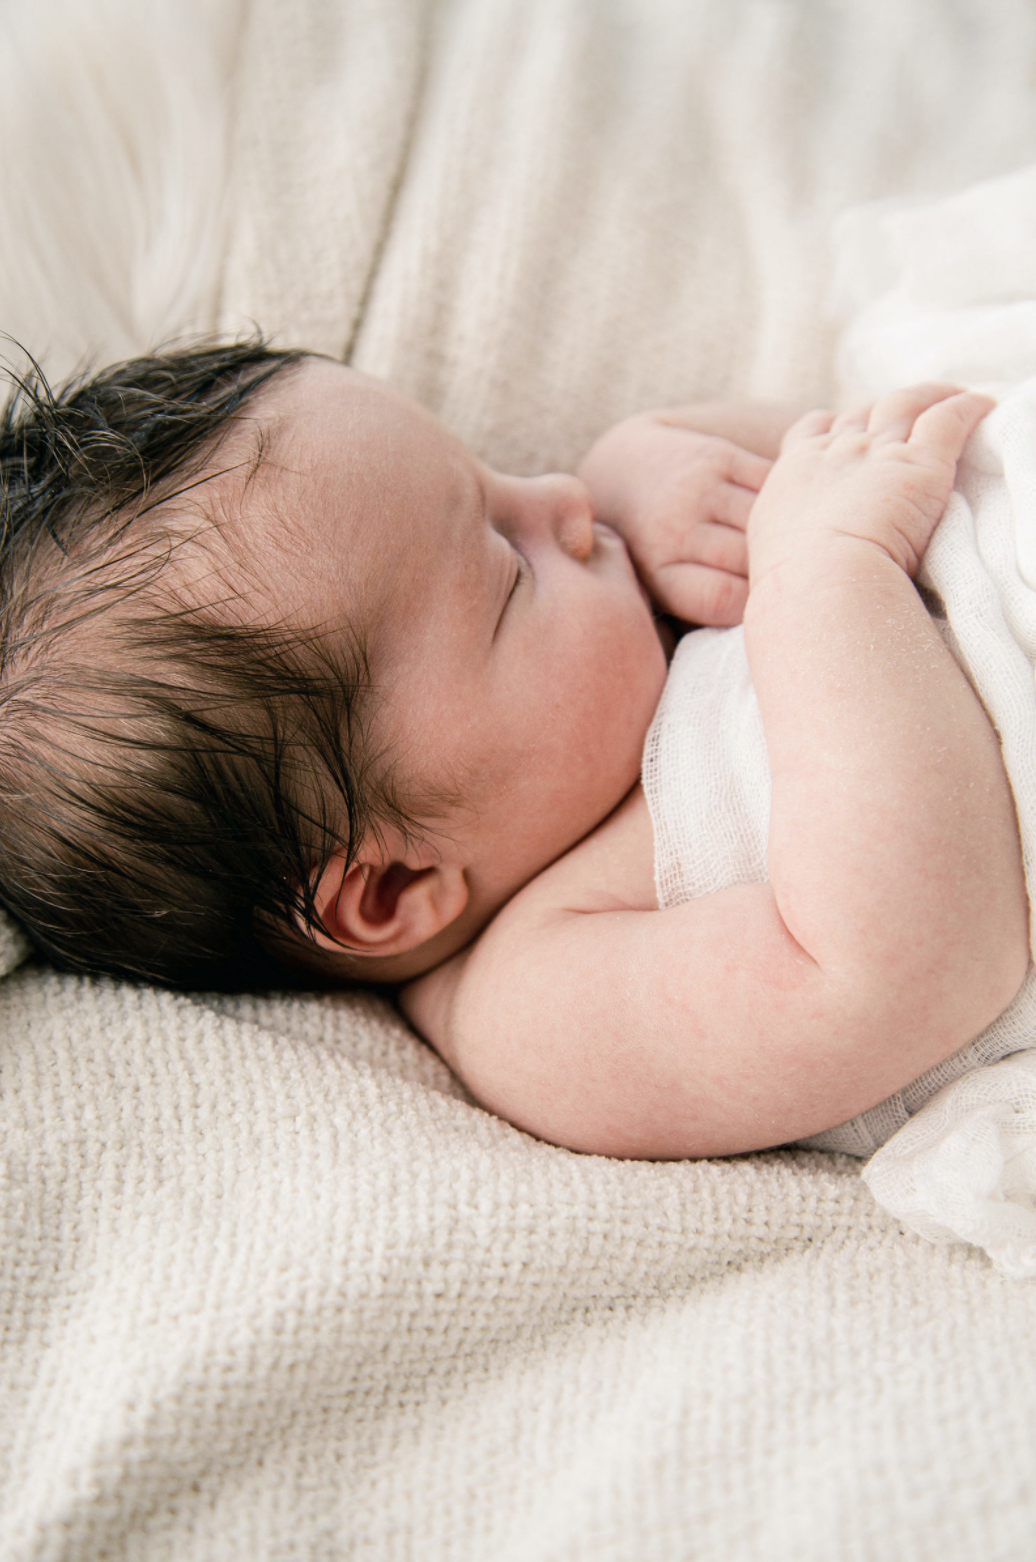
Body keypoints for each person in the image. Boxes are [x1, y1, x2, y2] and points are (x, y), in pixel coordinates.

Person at [0, 343, 1027, 1158]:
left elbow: (855, 456)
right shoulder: (535, 1009)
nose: (566, 500)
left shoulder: (599, 663)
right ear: (395, 886)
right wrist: (824, 572)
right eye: (506, 571)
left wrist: (651, 465)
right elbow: (902, 970)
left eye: (495, 483)